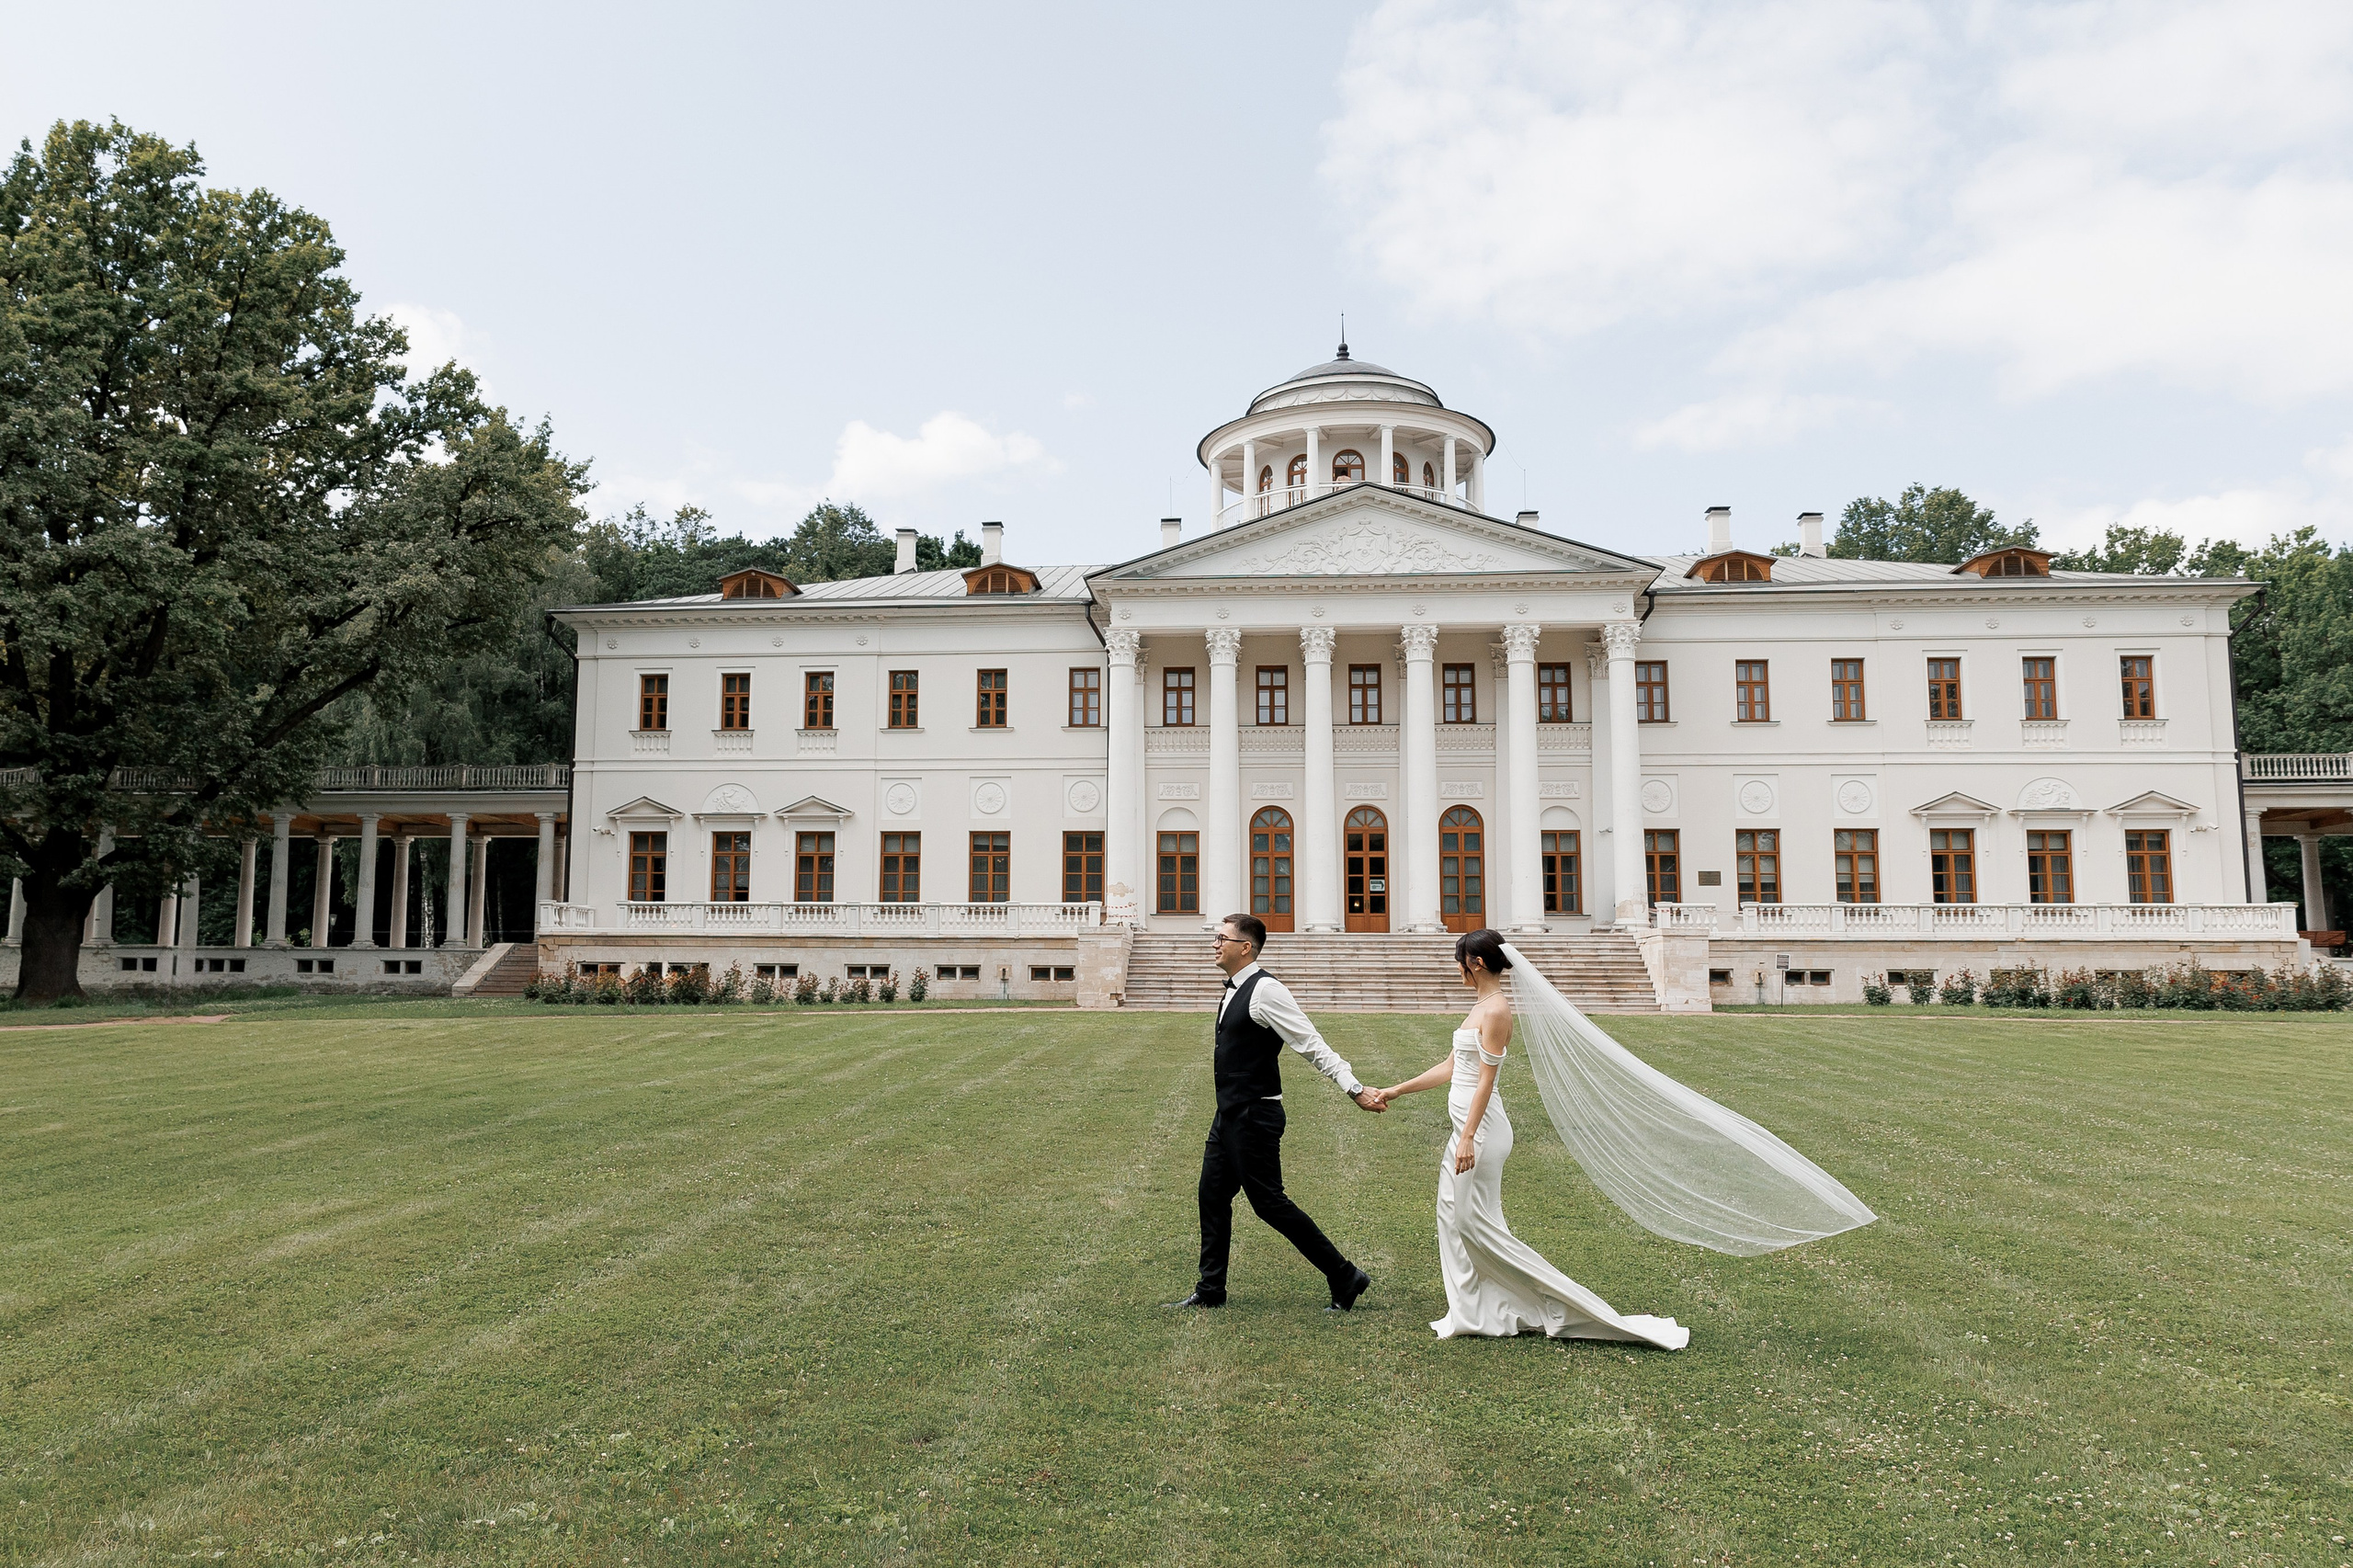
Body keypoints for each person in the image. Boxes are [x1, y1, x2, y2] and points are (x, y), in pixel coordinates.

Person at [1379, 928, 1690, 1347]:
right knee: (1453, 1218)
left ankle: (1558, 1305)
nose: (1457, 968)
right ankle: (1474, 1309)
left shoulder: (1497, 1012)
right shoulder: (1480, 1005)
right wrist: (1395, 1090)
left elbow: (1486, 1082)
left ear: (1476, 963)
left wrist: (1469, 1136)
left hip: (1482, 1130)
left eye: (1459, 961)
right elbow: (1451, 1066)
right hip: (1467, 1129)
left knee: (1474, 1222)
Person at [1169, 913, 1385, 1312]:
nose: (1215, 944)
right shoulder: (1234, 988)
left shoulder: (1266, 990)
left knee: (1269, 1203)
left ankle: (1344, 1275)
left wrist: (1353, 1087)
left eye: (1222, 938)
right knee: (1212, 1195)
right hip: (1230, 1114)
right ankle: (1211, 1290)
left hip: (1255, 1116)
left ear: (1245, 947)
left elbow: (1310, 1042)